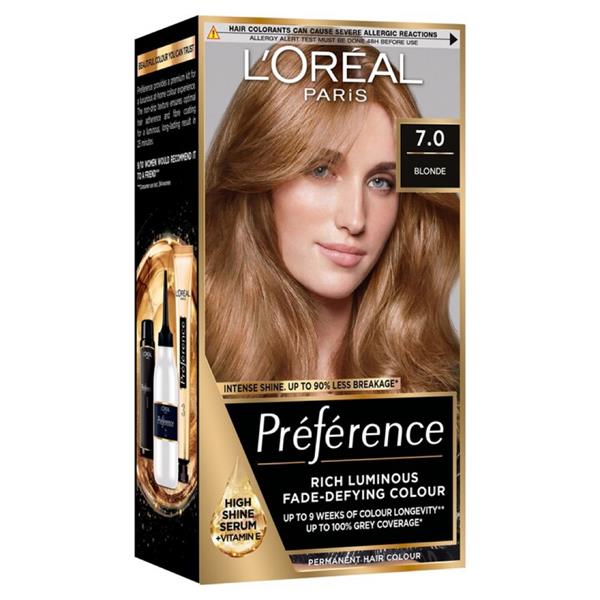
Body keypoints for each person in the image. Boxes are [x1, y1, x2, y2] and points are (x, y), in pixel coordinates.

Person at [206, 43, 459, 392]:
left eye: (380, 182)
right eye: (321, 170)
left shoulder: (445, 389)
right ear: (261, 180)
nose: (355, 220)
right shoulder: (191, 365)